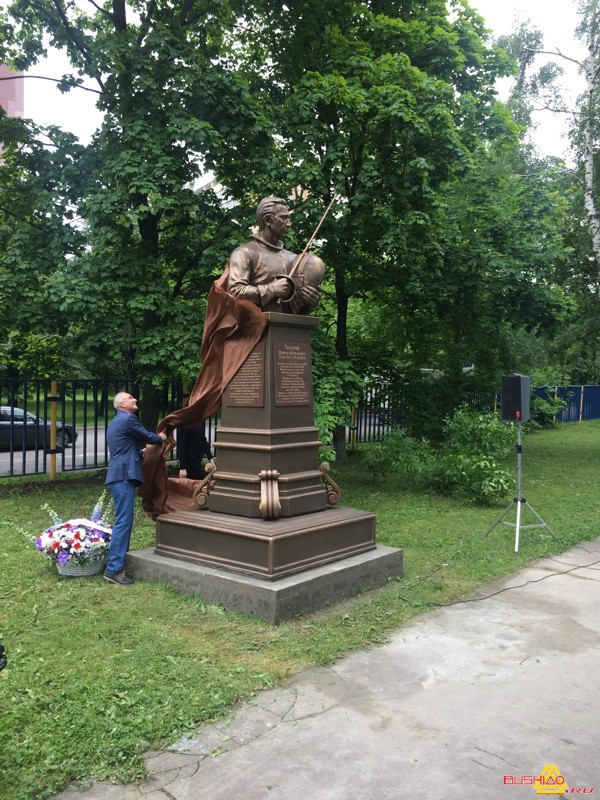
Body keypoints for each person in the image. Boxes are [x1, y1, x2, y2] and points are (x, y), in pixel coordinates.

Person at [105, 392, 167, 586]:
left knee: (123, 521)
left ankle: (116, 566)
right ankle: (114, 569)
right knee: (123, 522)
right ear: (122, 404)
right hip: (123, 476)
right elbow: (149, 437)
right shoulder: (128, 419)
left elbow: (124, 449)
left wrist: (141, 452)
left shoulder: (116, 421)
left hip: (118, 475)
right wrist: (160, 437)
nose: (135, 400)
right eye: (131, 398)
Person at [227, 196, 324, 314]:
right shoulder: (245, 253)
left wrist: (311, 303)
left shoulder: (294, 259)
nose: (289, 224)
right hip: (255, 324)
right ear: (268, 220)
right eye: (284, 218)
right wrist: (271, 289)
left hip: (288, 325)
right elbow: (234, 292)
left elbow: (296, 309)